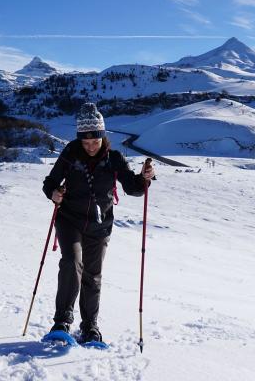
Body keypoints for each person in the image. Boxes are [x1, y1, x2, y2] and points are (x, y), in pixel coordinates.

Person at [42, 102, 155, 343]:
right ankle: (61, 322)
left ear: (103, 136)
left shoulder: (113, 158)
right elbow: (49, 182)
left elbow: (133, 187)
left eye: (96, 141)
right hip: (69, 220)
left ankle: (89, 326)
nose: (91, 146)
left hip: (100, 225)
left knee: (93, 275)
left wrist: (144, 179)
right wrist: (53, 193)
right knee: (72, 263)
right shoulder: (71, 154)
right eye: (86, 142)